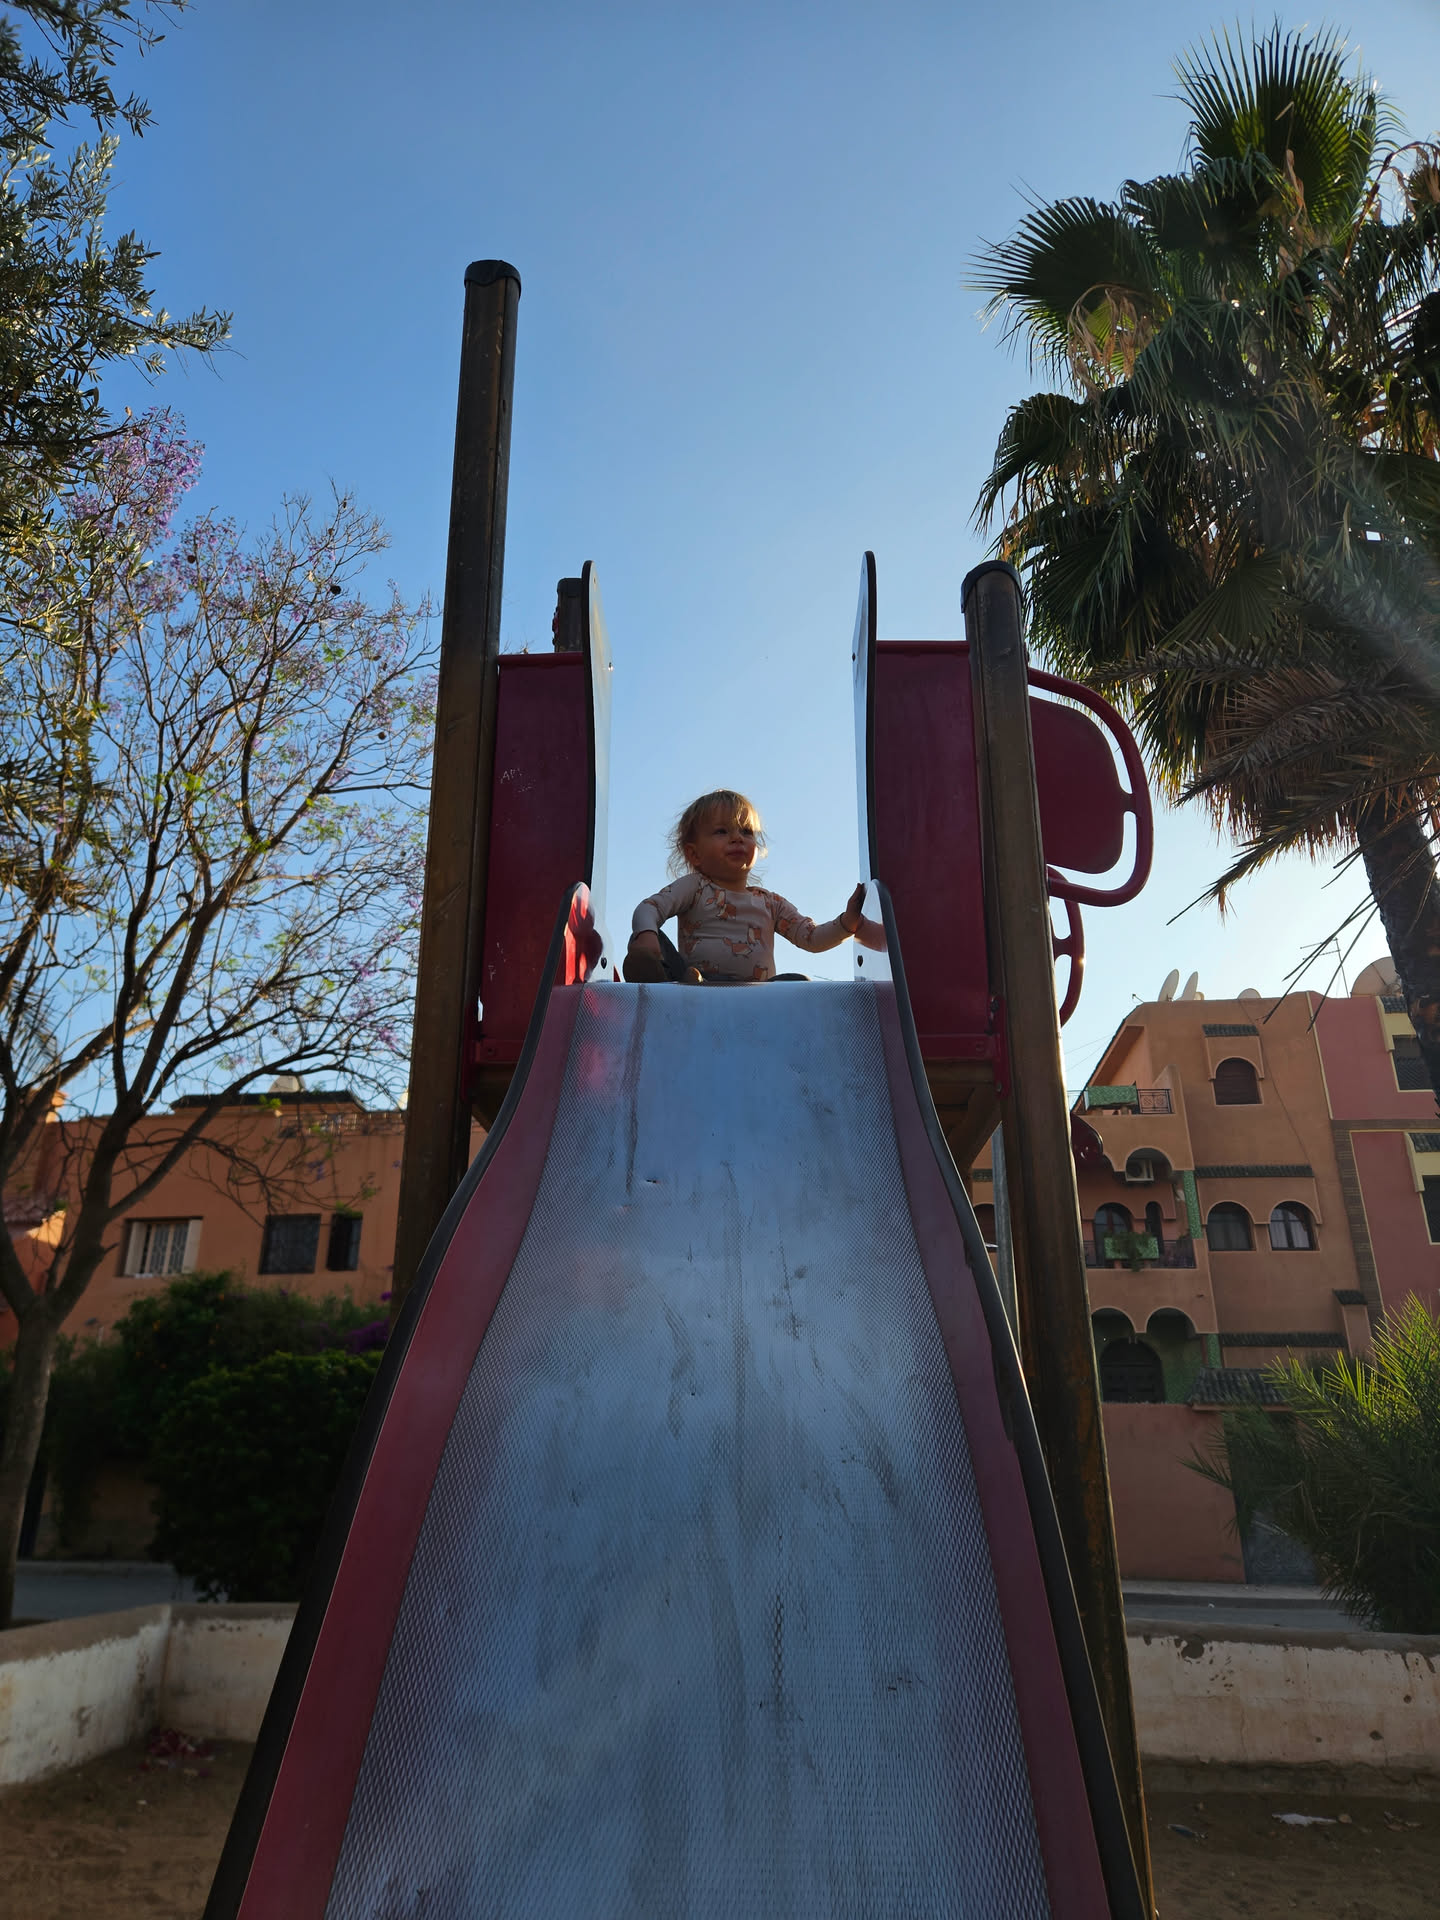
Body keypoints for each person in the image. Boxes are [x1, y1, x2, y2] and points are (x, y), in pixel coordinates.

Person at [624, 788, 881, 985]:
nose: (737, 838)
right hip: (696, 984)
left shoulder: (770, 903)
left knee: (797, 983)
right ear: (694, 854)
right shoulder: (695, 887)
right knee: (652, 936)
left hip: (756, 994)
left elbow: (811, 938)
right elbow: (649, 908)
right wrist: (646, 935)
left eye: (746, 832)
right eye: (722, 831)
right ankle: (658, 976)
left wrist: (847, 923)